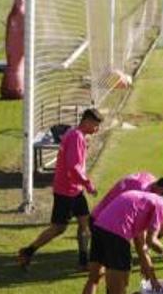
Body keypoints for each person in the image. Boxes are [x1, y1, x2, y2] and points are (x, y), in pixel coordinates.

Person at [17, 108, 103, 270]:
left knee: (85, 223)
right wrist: (88, 184)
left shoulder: (73, 133)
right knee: (58, 228)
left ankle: (83, 261)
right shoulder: (76, 137)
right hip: (67, 191)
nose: (97, 129)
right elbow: (73, 167)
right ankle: (28, 251)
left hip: (74, 190)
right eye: (96, 125)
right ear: (87, 121)